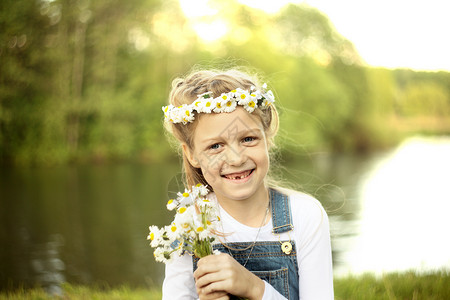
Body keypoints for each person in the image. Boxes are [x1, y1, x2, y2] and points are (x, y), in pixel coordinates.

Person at [161, 68, 334, 300]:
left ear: (267, 138)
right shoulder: (189, 225)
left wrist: (255, 288)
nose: (236, 158)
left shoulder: (305, 216)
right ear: (191, 154)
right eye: (215, 146)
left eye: (248, 139)